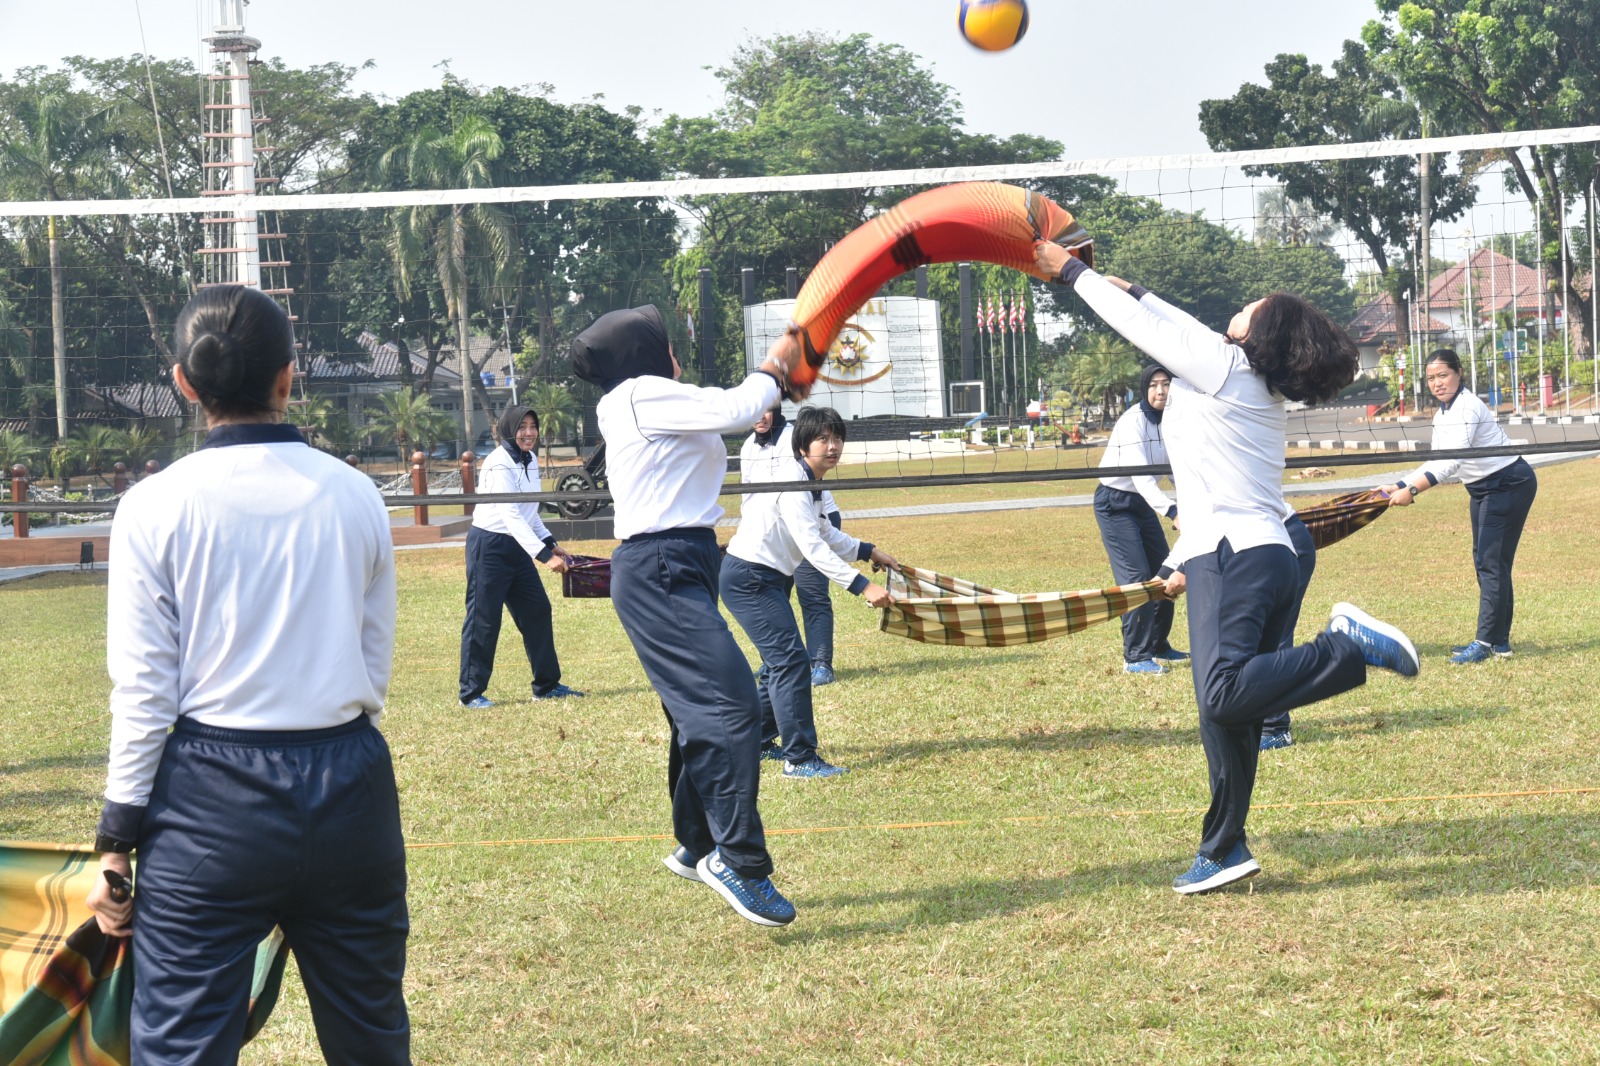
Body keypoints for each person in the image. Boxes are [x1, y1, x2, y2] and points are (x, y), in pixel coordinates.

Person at [85, 285, 409, 1064]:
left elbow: (144, 691)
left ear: (183, 383)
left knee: (185, 1048)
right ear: (289, 378)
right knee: (370, 1038)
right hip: (350, 790)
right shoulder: (358, 495)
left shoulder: (153, 507)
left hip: (210, 806)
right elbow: (373, 661)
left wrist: (115, 845)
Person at [1037, 243, 1421, 895]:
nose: (1236, 310)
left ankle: (1344, 648)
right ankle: (1223, 848)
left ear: (1259, 334)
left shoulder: (1221, 368)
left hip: (1238, 556)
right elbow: (1169, 320)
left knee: (1221, 694)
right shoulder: (1240, 376)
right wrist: (1121, 283)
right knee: (1228, 714)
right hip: (1257, 551)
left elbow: (1149, 329)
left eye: (1249, 308)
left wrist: (1071, 275)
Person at [573, 304, 806, 927]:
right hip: (661, 568)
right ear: (645, 353)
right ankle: (738, 861)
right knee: (732, 707)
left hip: (686, 561)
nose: (677, 354)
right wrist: (777, 365)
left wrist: (770, 388)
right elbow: (733, 408)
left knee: (695, 711)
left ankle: (697, 842)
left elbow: (730, 412)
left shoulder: (651, 399)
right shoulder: (639, 395)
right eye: (668, 344)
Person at [723, 405, 898, 779]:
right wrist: (863, 586)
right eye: (823, 438)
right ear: (803, 445)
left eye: (837, 438)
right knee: (790, 663)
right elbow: (813, 548)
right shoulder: (794, 483)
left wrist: (868, 551)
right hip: (749, 578)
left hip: (762, 578)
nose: (832, 446)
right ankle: (800, 760)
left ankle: (751, 743)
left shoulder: (809, 482)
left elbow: (825, 532)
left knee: (781, 663)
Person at [1390, 348, 1537, 664]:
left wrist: (1413, 489)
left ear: (1458, 373)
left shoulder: (1468, 406)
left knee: (1490, 561)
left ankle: (1485, 643)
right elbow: (1435, 460)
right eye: (1431, 378)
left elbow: (1451, 462)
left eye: (1443, 375)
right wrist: (1401, 485)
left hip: (1508, 482)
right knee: (1488, 561)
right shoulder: (1444, 412)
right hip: (1482, 488)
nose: (1437, 383)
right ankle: (1499, 642)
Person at [458, 404, 583, 708]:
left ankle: (546, 685)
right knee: (484, 619)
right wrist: (543, 556)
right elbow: (510, 513)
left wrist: (551, 543)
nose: (528, 433)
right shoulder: (499, 462)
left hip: (517, 547)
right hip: (489, 546)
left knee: (538, 611)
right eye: (522, 427)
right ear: (508, 429)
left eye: (533, 426)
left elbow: (530, 510)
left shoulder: (530, 459)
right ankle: (470, 693)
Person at [740, 403, 844, 686]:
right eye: (754, 410)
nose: (759, 416)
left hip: (814, 520)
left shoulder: (797, 436)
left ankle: (821, 664)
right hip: (776, 530)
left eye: (766, 409)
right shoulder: (748, 446)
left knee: (812, 596)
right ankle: (774, 662)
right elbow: (748, 495)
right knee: (773, 598)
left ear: (777, 409)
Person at [1094, 362, 1187, 675]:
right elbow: (1142, 478)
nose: (1160, 391)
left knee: (1166, 573)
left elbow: (1177, 470)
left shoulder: (1174, 419)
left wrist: (1194, 500)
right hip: (1115, 504)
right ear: (1145, 388)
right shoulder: (1133, 420)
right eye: (1153, 385)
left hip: (1144, 505)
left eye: (1166, 384)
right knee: (1136, 580)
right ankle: (1135, 658)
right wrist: (1174, 511)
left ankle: (1158, 645)